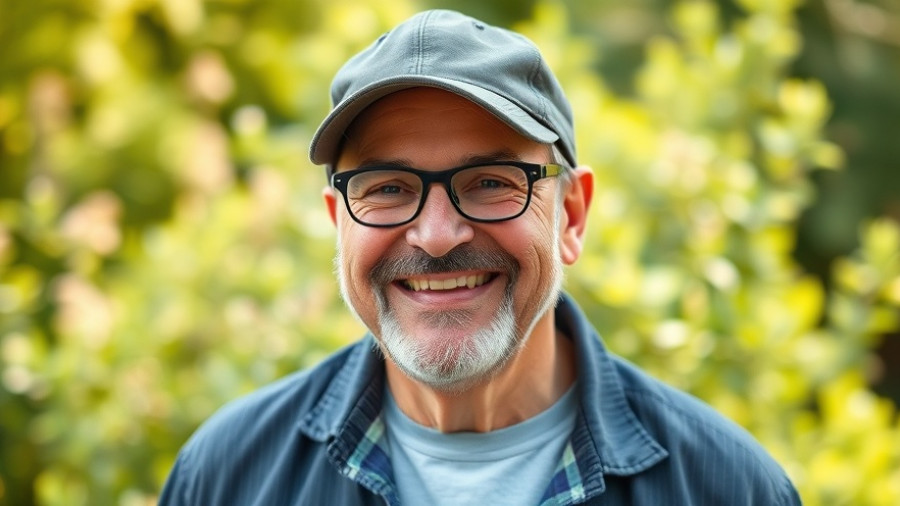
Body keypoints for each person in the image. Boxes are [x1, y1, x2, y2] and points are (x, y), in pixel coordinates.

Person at [159, 9, 801, 505]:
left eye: (491, 182)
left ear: (571, 216)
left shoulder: (730, 488)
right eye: (387, 188)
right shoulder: (226, 475)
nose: (437, 236)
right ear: (339, 224)